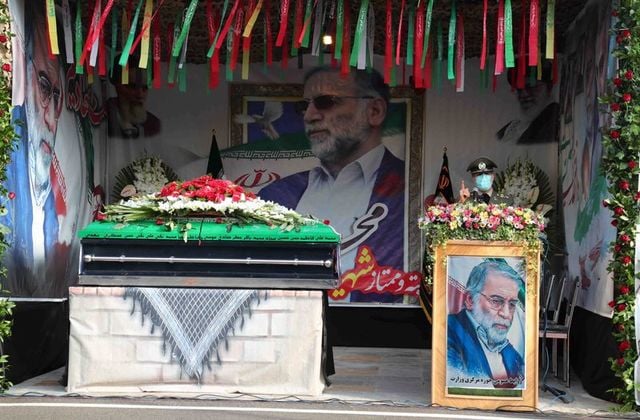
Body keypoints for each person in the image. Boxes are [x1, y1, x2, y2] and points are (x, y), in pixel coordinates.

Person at [258, 66, 405, 303]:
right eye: (304, 106)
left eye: (326, 102)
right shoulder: (277, 194)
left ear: (374, 111)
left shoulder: (409, 191)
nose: (309, 116)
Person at [2, 3, 88, 297]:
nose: (50, 115)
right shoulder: (9, 172)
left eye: (56, 95)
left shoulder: (52, 195)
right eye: (42, 87)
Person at [447, 259, 525, 388]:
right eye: (496, 301)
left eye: (512, 304)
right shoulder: (449, 333)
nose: (506, 313)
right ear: (470, 300)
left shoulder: (512, 354)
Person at [496, 66, 560, 145]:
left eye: (531, 87)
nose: (524, 94)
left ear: (549, 87)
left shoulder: (555, 121)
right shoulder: (510, 129)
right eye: (519, 89)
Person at [106, 55, 160, 139]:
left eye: (144, 88)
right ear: (117, 86)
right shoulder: (104, 114)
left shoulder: (153, 124)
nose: (140, 95)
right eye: (132, 86)